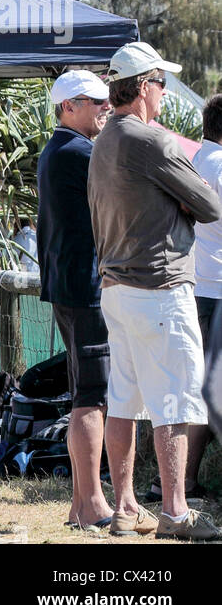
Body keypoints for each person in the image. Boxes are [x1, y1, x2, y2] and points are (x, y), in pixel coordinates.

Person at [89, 41, 220, 540]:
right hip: (160, 287)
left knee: (123, 399)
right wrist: (177, 205)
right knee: (175, 402)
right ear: (143, 87)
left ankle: (124, 509)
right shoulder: (153, 141)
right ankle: (175, 511)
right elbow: (210, 205)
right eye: (161, 83)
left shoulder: (102, 140)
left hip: (116, 287)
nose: (165, 94)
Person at [37, 69, 115, 531]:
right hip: (83, 288)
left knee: (84, 395)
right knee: (92, 396)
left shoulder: (60, 150)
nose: (105, 107)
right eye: (96, 101)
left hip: (70, 284)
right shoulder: (78, 152)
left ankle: (81, 503)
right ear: (70, 107)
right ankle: (92, 505)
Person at [187, 92, 222, 501]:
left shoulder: (193, 161)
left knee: (197, 388)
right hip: (216, 292)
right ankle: (183, 480)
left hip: (194, 287)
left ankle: (181, 479)